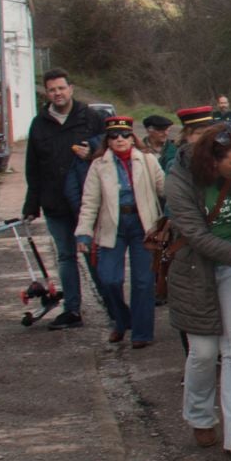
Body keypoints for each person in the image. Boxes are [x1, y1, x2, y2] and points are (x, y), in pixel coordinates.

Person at [165, 123, 231, 457]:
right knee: (205, 353)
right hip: (195, 270)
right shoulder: (178, 181)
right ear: (212, 163)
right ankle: (199, 415)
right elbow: (198, 238)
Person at [21, 69, 105, 329]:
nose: (57, 93)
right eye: (52, 90)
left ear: (71, 88)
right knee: (66, 257)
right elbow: (33, 167)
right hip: (55, 202)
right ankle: (73, 310)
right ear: (47, 93)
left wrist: (92, 150)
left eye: (61, 88)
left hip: (86, 202)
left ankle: (112, 307)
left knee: (94, 256)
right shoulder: (40, 123)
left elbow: (110, 146)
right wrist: (32, 203)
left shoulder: (91, 118)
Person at [75, 115, 166, 347]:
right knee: (109, 279)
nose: (119, 140)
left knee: (144, 281)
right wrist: (84, 232)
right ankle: (122, 319)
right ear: (108, 140)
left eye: (124, 135)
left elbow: (165, 188)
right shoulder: (99, 165)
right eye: (113, 136)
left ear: (132, 137)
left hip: (143, 224)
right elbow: (90, 201)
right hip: (113, 224)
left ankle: (142, 333)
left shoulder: (147, 160)